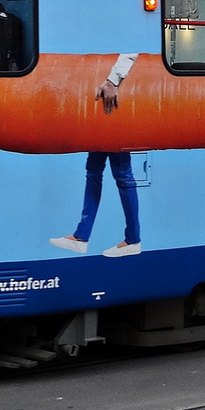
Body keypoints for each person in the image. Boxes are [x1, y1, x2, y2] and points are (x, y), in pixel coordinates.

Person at [50, 54, 143, 258]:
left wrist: (112, 80)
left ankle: (133, 239)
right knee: (94, 170)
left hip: (113, 98)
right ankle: (82, 236)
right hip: (103, 101)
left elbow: (133, 49)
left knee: (122, 175)